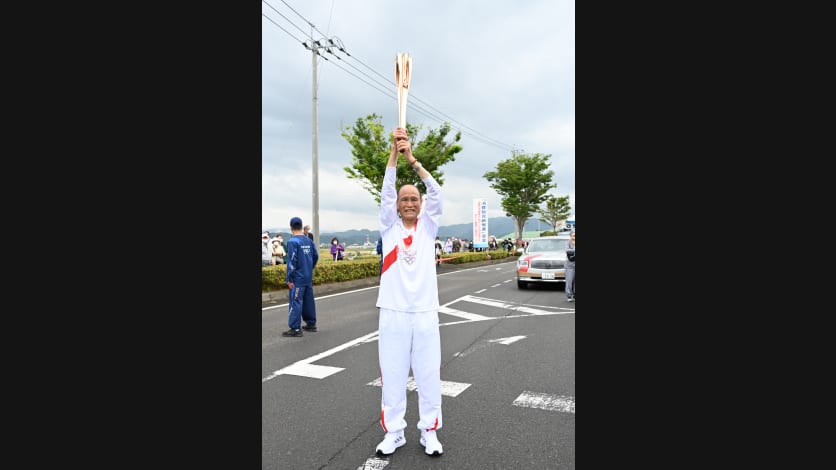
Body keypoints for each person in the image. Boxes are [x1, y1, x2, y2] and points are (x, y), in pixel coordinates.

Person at [374, 127, 444, 458]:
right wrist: (393, 152)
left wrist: (412, 159)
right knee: (393, 375)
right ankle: (395, 432)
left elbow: (437, 192)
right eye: (405, 199)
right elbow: (387, 190)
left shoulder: (429, 228)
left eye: (414, 199)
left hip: (426, 311)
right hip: (393, 311)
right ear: (397, 206)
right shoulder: (389, 228)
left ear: (421, 205)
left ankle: (429, 431)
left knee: (429, 374)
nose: (410, 203)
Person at [283, 217, 319, 337]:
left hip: (297, 278)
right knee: (308, 300)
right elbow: (315, 256)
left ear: (291, 227)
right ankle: (311, 324)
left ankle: (296, 329)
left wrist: (289, 279)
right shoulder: (308, 240)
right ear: (302, 226)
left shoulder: (293, 242)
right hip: (307, 276)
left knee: (296, 300)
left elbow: (292, 262)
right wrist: (310, 267)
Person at [565, 231, 575, 302]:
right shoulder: (567, 243)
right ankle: (569, 295)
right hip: (570, 265)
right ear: (570, 236)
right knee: (569, 280)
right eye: (573, 235)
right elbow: (567, 251)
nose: (574, 237)